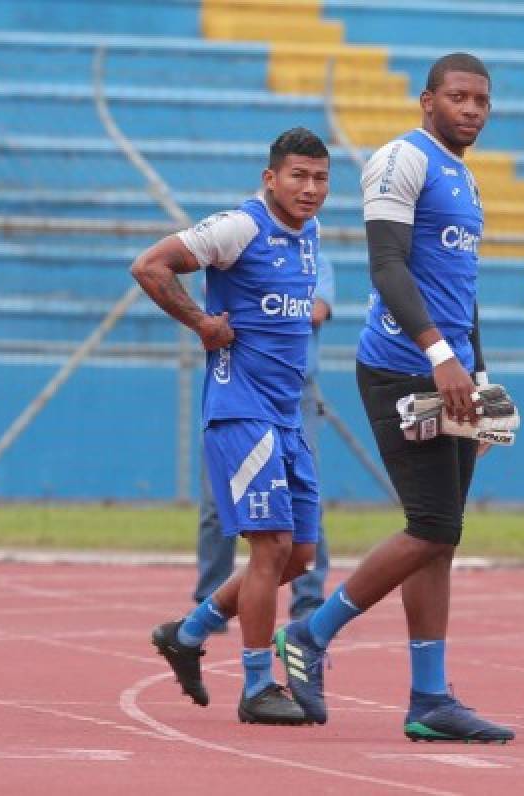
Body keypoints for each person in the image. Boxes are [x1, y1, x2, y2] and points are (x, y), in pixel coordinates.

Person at [274, 53, 515, 743]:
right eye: (458, 96)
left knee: (442, 540)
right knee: (433, 525)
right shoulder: (398, 159)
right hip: (401, 368)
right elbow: (388, 267)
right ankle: (312, 634)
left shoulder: (466, 181)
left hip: (453, 372)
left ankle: (429, 698)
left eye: (481, 101)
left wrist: (480, 378)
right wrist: (440, 355)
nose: (471, 109)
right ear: (427, 100)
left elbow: (460, 293)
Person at [130, 127, 330, 725]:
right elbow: (150, 266)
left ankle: (187, 634)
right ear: (270, 179)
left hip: (286, 415)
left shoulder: (311, 235)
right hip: (241, 412)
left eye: (321, 178)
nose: (310, 188)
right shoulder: (240, 227)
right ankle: (257, 686)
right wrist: (202, 323)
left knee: (299, 555)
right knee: (268, 547)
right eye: (298, 175)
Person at [192, 252, 335, 622]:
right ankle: (210, 599)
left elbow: (318, 310)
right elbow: (213, 311)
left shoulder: (311, 252)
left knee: (306, 501)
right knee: (215, 504)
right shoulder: (231, 250)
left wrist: (259, 314)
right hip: (240, 391)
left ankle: (308, 602)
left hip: (295, 393)